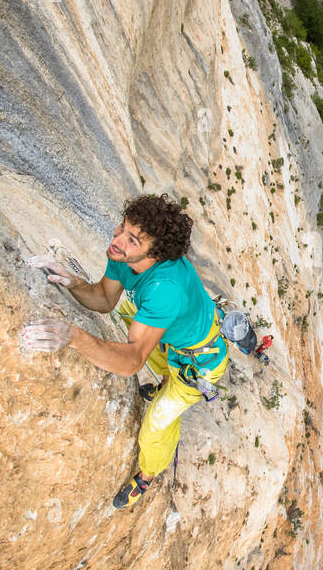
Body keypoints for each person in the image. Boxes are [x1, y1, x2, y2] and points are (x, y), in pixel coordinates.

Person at [19, 194, 228, 509]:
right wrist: (73, 282)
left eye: (132, 240)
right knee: (128, 311)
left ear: (155, 254)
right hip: (174, 339)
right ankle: (163, 380)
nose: (116, 240)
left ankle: (147, 473)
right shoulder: (123, 256)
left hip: (199, 362)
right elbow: (104, 298)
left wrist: (72, 337)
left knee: (156, 424)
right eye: (122, 228)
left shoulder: (164, 288)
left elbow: (132, 361)